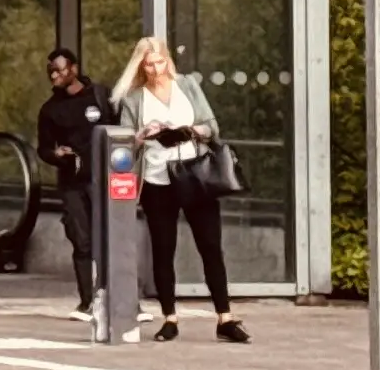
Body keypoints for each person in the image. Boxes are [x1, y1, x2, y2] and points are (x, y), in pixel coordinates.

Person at [113, 32, 245, 345]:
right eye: (149, 65)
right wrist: (144, 134)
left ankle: (225, 317)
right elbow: (125, 142)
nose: (156, 69)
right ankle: (169, 317)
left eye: (159, 62)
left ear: (167, 59)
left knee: (210, 245)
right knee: (163, 248)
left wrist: (188, 131)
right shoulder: (134, 99)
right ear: (140, 67)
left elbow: (212, 126)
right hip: (159, 179)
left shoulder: (186, 84)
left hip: (195, 174)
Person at [30, 46, 104, 326]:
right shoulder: (50, 110)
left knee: (111, 240)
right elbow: (43, 148)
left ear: (74, 68)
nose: (55, 75)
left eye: (60, 69)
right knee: (81, 240)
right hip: (72, 183)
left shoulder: (100, 96)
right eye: (51, 72)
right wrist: (56, 156)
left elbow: (121, 130)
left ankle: (123, 299)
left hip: (103, 180)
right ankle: (88, 301)